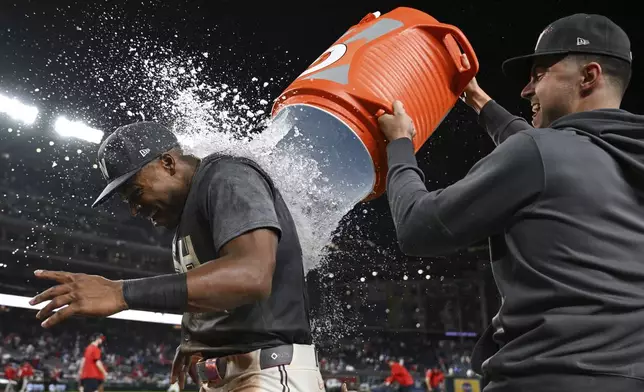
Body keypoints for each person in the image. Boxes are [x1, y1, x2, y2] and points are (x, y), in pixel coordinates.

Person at [377, 13, 644, 392]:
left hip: (544, 377)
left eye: (539, 74)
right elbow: (554, 154)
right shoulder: (624, 154)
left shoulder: (540, 152)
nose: (525, 90)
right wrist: (476, 98)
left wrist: (399, 146)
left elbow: (418, 228)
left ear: (589, 76)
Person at [29, 122, 323, 392]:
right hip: (236, 372)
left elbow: (251, 275)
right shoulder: (187, 214)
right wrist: (195, 335)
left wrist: (121, 292)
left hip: (270, 368)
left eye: (135, 193)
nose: (134, 210)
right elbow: (211, 288)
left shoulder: (228, 176)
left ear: (167, 163)